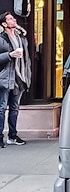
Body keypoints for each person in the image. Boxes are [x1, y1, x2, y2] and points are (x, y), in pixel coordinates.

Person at [0, 12, 32, 148]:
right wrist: (9, 55)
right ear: (4, 23)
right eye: (10, 19)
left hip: (20, 78)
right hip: (6, 78)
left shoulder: (21, 37)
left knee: (14, 108)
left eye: (13, 18)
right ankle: (0, 137)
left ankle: (12, 135)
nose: (14, 20)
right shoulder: (2, 38)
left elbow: (27, 58)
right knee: (1, 108)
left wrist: (27, 74)